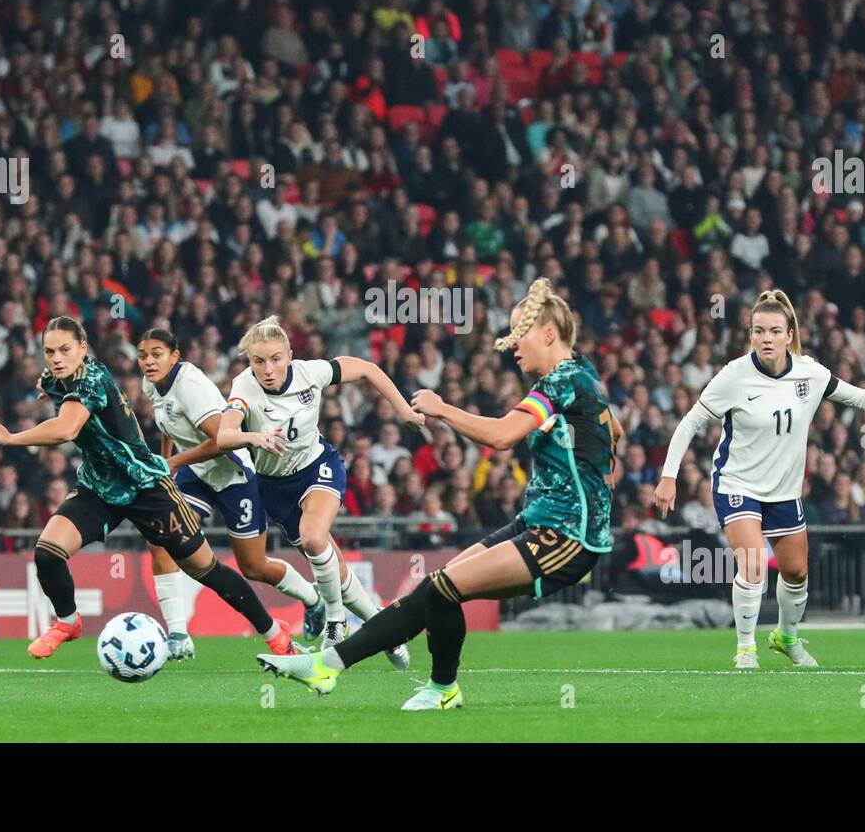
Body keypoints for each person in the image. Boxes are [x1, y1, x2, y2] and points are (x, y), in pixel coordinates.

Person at [257, 279, 619, 710]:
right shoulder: (583, 376)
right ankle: (329, 664)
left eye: (518, 335)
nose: (512, 347)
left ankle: (439, 687)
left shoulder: (560, 382)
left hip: (567, 535)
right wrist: (599, 467)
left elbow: (503, 436)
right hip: (541, 521)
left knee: (444, 587)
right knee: (434, 589)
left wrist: (442, 408)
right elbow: (613, 428)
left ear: (548, 334)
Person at [656, 290, 865, 668]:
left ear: (789, 334)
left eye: (774, 331)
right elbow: (690, 421)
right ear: (750, 335)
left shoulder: (809, 373)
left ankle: (787, 638)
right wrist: (669, 476)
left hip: (784, 492)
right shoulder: (734, 376)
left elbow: (859, 397)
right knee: (754, 563)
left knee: (796, 573)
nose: (766, 338)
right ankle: (745, 649)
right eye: (758, 331)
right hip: (736, 484)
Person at [0, 316, 295, 660]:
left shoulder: (90, 379)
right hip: (100, 487)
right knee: (47, 550)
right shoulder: (58, 375)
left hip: (145, 485)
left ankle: (273, 632)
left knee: (207, 571)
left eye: (64, 350)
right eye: (49, 351)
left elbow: (66, 430)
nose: (56, 358)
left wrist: (12, 438)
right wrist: (46, 385)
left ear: (83, 349)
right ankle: (68, 622)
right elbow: (49, 382)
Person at [215, 315, 421, 669]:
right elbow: (224, 435)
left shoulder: (312, 373)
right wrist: (254, 437)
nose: (267, 368)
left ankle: (335, 624)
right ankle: (387, 630)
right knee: (333, 565)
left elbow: (368, 369)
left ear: (290, 355)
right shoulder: (244, 386)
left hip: (317, 467)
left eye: (276, 358)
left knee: (313, 538)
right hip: (274, 486)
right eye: (258, 361)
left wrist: (402, 408)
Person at [137, 327, 325, 659]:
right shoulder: (151, 384)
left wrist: (174, 461)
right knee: (161, 536)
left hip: (233, 473)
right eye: (143, 355)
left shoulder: (189, 387)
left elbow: (219, 440)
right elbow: (167, 425)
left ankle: (313, 598)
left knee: (253, 567)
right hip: (196, 474)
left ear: (174, 356)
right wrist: (169, 461)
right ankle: (177, 634)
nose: (149, 362)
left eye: (157, 354)